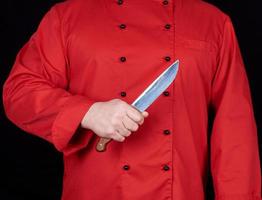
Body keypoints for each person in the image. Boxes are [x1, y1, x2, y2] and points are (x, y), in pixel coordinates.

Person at [2, 0, 261, 199]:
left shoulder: (212, 22)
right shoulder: (68, 16)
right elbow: (20, 91)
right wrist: (87, 113)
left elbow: (235, 133)